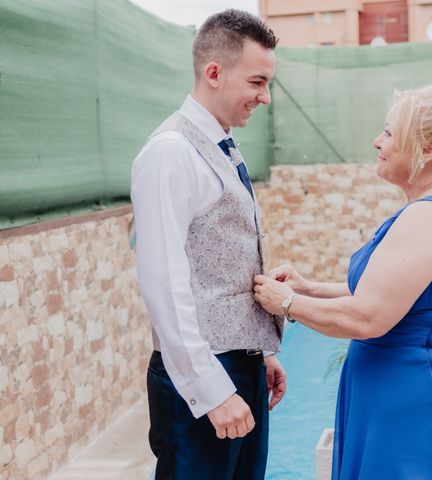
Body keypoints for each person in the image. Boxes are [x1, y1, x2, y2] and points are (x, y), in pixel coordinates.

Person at [254, 75, 432, 479]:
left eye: (390, 132)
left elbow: (368, 317)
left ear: (428, 150)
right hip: (411, 395)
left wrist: (286, 303)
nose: (378, 141)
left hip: (422, 404)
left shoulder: (429, 216)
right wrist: (309, 288)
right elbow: (400, 295)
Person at [131, 9, 286, 479]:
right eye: (257, 82)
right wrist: (211, 389)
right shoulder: (170, 152)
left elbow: (220, 263)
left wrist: (261, 350)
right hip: (204, 377)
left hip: (241, 367)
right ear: (214, 73)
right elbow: (164, 283)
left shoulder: (223, 144)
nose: (265, 98)